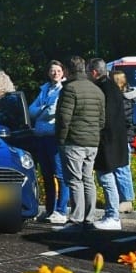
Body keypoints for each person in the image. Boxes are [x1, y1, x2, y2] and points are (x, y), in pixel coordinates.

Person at [54, 55, 103, 227]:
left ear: (67, 70)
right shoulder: (97, 89)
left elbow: (63, 118)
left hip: (74, 141)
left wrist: (61, 139)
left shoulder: (69, 89)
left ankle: (76, 218)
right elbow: (102, 119)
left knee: (74, 180)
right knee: (88, 179)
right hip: (93, 141)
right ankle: (89, 217)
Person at [88, 58, 127, 230]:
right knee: (107, 177)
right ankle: (111, 214)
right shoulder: (112, 87)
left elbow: (105, 118)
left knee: (105, 177)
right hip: (114, 139)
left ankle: (113, 215)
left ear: (94, 72)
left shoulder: (103, 89)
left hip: (107, 141)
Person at [29, 60, 68, 220]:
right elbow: (31, 110)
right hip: (40, 136)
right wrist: (42, 110)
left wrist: (40, 111)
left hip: (53, 137)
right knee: (46, 175)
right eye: (52, 70)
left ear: (63, 72)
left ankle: (62, 210)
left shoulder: (63, 89)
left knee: (60, 174)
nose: (55, 73)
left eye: (58, 70)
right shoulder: (44, 89)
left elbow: (53, 111)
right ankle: (50, 209)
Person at [110, 69, 136, 213]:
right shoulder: (126, 97)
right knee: (120, 168)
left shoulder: (123, 99)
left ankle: (127, 200)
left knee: (122, 169)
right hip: (122, 137)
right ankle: (123, 199)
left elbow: (123, 119)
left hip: (121, 138)